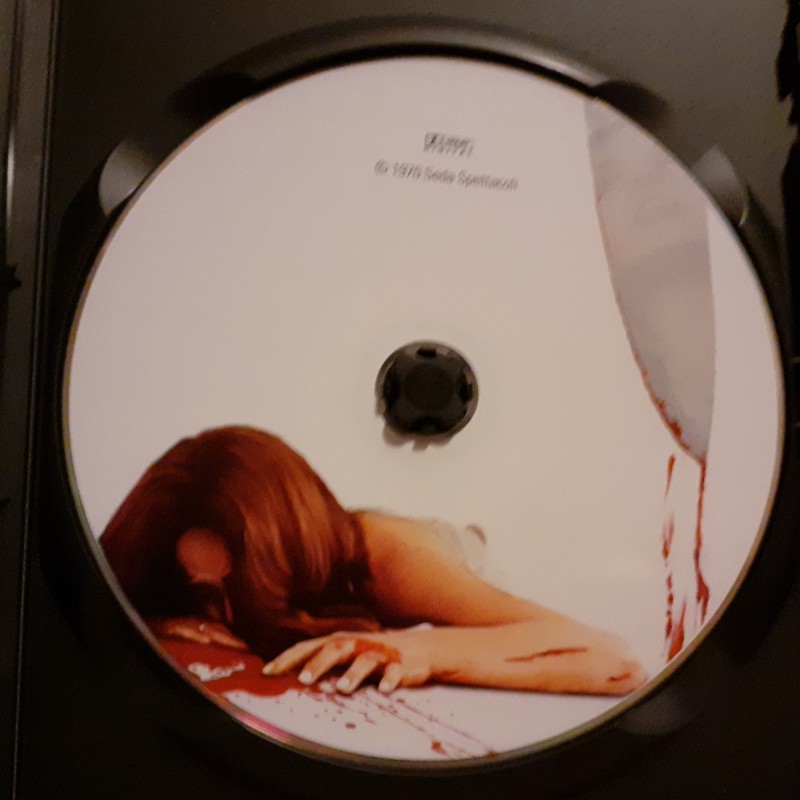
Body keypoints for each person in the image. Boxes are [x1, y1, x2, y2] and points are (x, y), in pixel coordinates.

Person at [101, 426, 646, 697]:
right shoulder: (170, 542)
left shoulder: (392, 562)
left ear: (283, 559)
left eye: (240, 585)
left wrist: (422, 651)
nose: (221, 615)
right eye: (200, 595)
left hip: (455, 559)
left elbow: (614, 659)